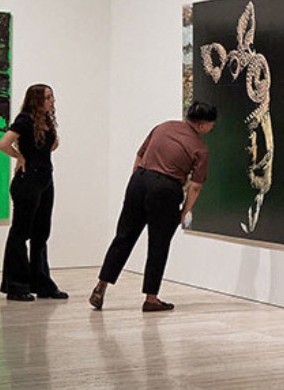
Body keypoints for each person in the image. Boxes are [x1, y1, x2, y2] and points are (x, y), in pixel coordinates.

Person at [89, 102, 217, 312]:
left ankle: (100, 287)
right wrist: (184, 211)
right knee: (158, 244)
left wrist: (136, 181)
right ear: (203, 125)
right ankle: (151, 298)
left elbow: (140, 155)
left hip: (139, 181)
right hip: (166, 189)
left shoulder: (164, 126)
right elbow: (195, 187)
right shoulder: (200, 148)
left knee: (123, 237)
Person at [0, 84, 66, 302]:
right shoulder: (25, 119)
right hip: (28, 182)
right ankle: (16, 286)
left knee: (41, 233)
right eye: (48, 97)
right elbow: (3, 144)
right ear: (36, 100)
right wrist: (20, 157)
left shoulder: (46, 121)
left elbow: (51, 146)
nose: (52, 100)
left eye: (52, 96)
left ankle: (42, 283)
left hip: (45, 179)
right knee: (21, 232)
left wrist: (40, 148)